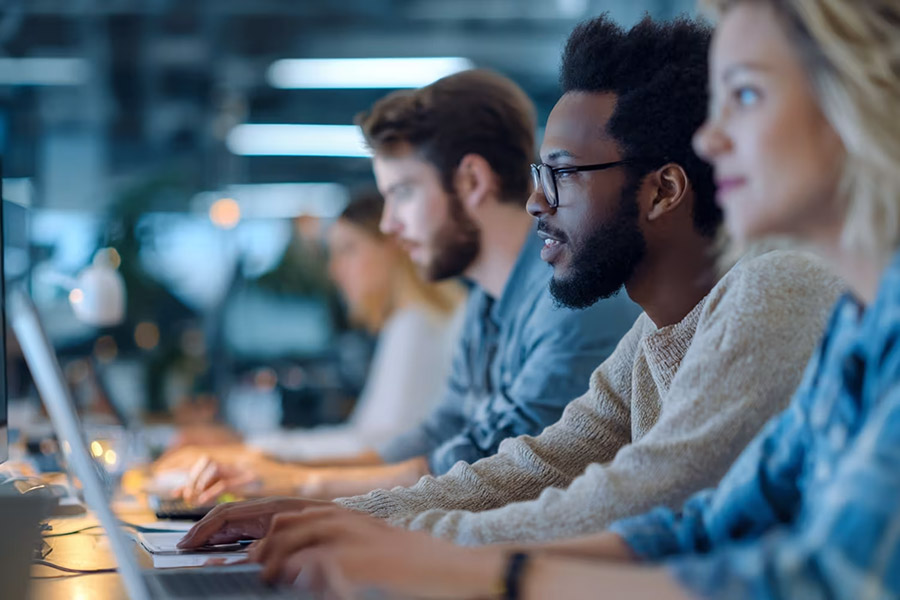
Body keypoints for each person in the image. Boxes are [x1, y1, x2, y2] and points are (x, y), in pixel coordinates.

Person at [204, 1, 900, 598]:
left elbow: (707, 528)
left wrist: (467, 565)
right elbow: (683, 519)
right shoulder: (849, 324)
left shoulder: (786, 284)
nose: (713, 142)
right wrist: (374, 527)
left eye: (745, 97)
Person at [175, 69, 642, 503]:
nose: (390, 225)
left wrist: (300, 484)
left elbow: (493, 471)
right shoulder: (485, 304)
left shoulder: (569, 303)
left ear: (472, 181)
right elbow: (437, 437)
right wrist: (267, 467)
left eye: (403, 193)